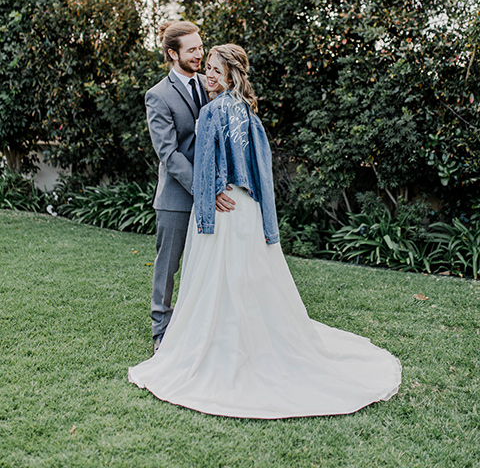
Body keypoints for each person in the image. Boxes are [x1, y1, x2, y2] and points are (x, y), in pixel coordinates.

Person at [130, 44, 402, 418]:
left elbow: (207, 168)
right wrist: (263, 217)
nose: (208, 75)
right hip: (248, 210)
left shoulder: (210, 113)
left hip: (221, 210)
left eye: (215, 70)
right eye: (206, 67)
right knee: (251, 278)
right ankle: (254, 343)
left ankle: (221, 347)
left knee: (216, 280)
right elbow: (261, 171)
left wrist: (209, 201)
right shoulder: (248, 113)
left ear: (230, 76)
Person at [145, 22, 234, 354]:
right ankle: (160, 331)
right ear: (173, 54)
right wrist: (206, 188)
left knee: (207, 264)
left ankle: (201, 325)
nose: (200, 54)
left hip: (214, 194)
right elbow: (169, 153)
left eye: (200, 47)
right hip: (176, 197)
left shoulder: (207, 83)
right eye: (192, 49)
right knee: (168, 266)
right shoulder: (158, 95)